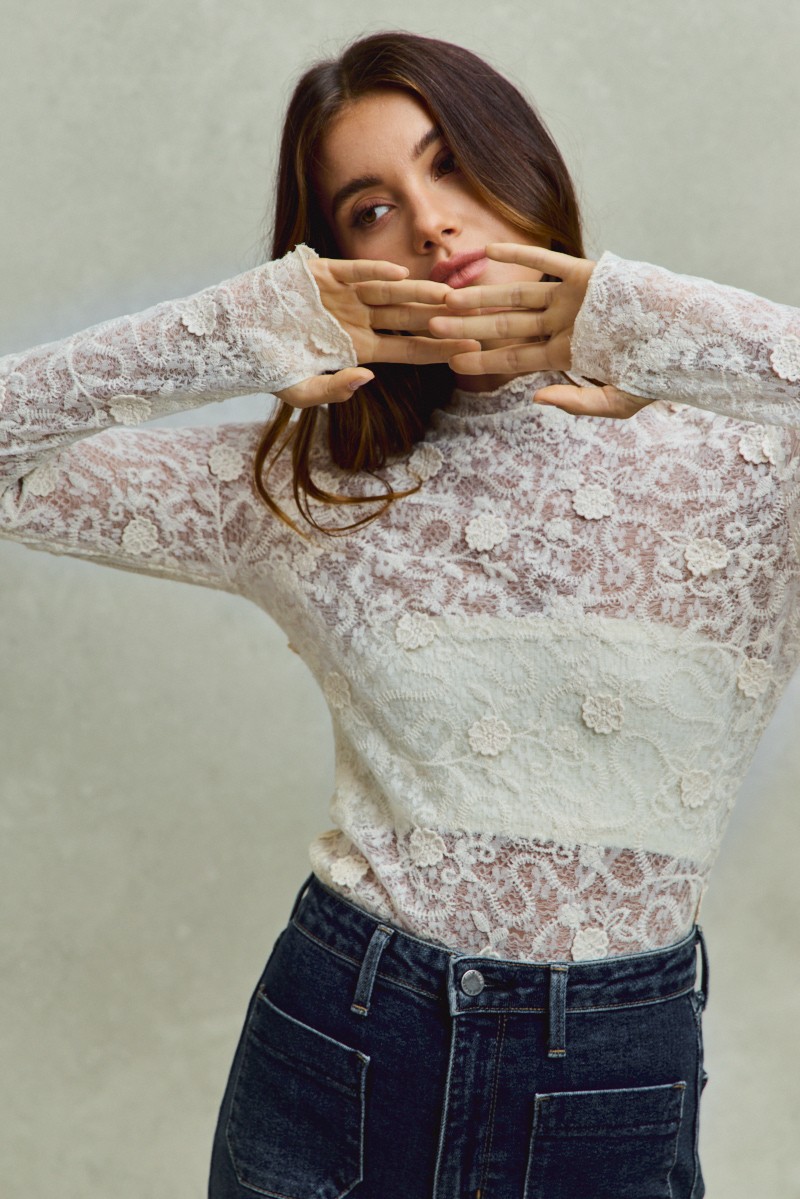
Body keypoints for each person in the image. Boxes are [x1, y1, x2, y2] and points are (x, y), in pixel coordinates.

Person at [2, 27, 799, 1199]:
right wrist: (227, 329)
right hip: (336, 1049)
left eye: (452, 163)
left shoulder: (753, 468)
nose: (430, 225)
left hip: (611, 1083)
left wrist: (644, 320)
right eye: (370, 208)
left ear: (525, 167)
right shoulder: (304, 486)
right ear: (333, 262)